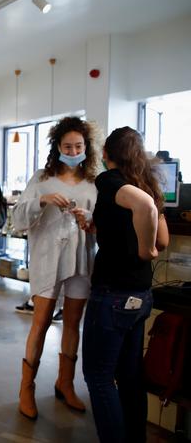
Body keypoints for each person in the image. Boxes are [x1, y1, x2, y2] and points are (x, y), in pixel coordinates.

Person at [79, 127, 169, 443]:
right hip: (140, 295)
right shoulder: (146, 184)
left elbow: (144, 209)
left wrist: (146, 251)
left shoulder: (110, 182)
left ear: (106, 154)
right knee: (130, 377)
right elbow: (164, 237)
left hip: (113, 294)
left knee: (99, 377)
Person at [11, 116, 98, 419]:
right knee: (41, 321)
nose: (73, 151)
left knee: (73, 323)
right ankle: (26, 387)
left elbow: (101, 225)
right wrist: (43, 200)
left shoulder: (93, 182)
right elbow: (18, 218)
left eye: (78, 146)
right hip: (48, 258)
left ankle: (66, 383)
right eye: (67, 146)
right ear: (57, 147)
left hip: (81, 260)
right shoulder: (41, 178)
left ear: (86, 147)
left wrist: (89, 220)